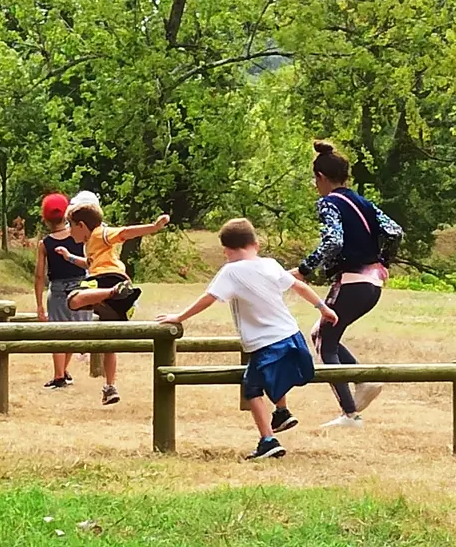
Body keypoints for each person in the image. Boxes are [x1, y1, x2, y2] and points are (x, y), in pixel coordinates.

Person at [157, 218, 338, 460]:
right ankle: (281, 412)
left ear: (226, 251)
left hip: (266, 342)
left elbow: (208, 298)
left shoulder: (230, 271)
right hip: (292, 335)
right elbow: (299, 286)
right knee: (273, 374)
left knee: (252, 388)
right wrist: (323, 308)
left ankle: (268, 440)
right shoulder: (271, 264)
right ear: (256, 244)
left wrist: (179, 316)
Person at [293, 140, 404, 428]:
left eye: (314, 180)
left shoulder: (328, 202)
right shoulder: (362, 201)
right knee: (324, 334)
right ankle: (363, 381)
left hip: (352, 281)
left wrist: (304, 269)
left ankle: (350, 413)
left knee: (323, 340)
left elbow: (334, 240)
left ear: (320, 177)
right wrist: (383, 262)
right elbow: (395, 231)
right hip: (372, 285)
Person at [55, 203, 170, 405]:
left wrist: (154, 226)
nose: (68, 229)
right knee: (110, 340)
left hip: (109, 279)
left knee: (73, 300)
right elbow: (89, 263)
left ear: (81, 225)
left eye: (70, 224)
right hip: (114, 290)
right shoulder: (90, 244)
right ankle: (110, 387)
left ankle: (113, 293)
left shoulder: (100, 233)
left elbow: (125, 233)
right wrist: (70, 257)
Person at [34, 193, 91, 389]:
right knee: (74, 331)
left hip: (57, 290)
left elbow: (39, 275)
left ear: (45, 218)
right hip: (80, 288)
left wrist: (40, 304)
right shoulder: (80, 235)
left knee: (57, 331)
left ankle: (59, 375)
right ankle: (63, 372)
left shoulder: (45, 243)